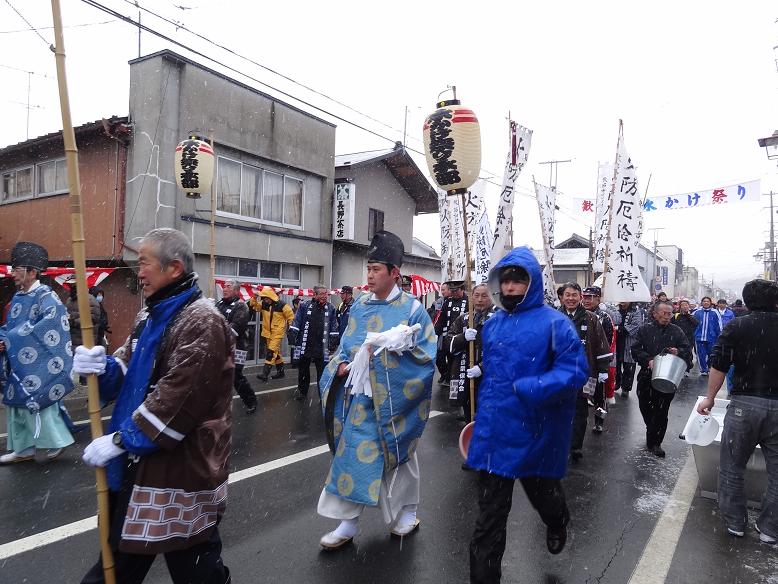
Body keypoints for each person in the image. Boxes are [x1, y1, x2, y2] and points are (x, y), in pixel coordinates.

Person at [73, 228, 233, 583]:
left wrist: (119, 440)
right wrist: (100, 368)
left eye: (144, 263)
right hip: (139, 468)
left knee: (196, 572)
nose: (139, 273)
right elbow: (128, 371)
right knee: (117, 568)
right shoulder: (150, 316)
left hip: (180, 472)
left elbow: (180, 398)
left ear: (174, 267)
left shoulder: (203, 320)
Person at [466, 248, 587, 583]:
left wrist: (534, 387)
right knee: (487, 524)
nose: (510, 287)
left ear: (532, 282)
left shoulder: (556, 324)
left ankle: (557, 519)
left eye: (518, 279)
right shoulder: (491, 325)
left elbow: (575, 370)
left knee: (544, 497)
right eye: (505, 280)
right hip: (493, 438)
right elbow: (494, 373)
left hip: (534, 434)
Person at [316, 230, 436, 549]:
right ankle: (348, 522)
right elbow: (346, 346)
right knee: (352, 455)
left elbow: (425, 357)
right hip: (359, 399)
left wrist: (384, 364)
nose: (369, 276)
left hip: (393, 399)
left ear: (394, 273)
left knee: (400, 453)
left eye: (376, 270)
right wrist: (341, 367)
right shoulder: (358, 306)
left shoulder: (413, 310)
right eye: (368, 269)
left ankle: (408, 511)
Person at [697, 279, 778, 542]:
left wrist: (709, 398)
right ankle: (769, 528)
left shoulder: (737, 325)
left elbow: (719, 365)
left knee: (732, 466)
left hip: (745, 404)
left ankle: (735, 522)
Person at [0, 242, 75, 464]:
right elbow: (9, 325)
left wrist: (13, 338)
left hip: (38, 365)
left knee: (39, 403)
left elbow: (52, 325)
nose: (13, 274)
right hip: (17, 362)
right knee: (16, 405)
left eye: (17, 269)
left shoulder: (46, 296)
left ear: (32, 272)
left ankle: (58, 441)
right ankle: (23, 449)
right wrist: (3, 338)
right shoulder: (18, 297)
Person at [630, 301, 692, 458]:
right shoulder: (645, 330)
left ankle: (655, 442)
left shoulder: (676, 331)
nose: (667, 316)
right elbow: (635, 350)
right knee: (645, 405)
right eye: (664, 313)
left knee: (661, 410)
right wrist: (648, 360)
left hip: (668, 376)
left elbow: (687, 351)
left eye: (669, 313)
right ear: (655, 313)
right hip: (647, 375)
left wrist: (678, 352)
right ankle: (651, 428)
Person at [560, 283, 611, 459]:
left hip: (585, 372)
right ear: (562, 297)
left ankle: (575, 446)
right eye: (567, 295)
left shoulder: (591, 319)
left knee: (581, 410)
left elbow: (601, 344)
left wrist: (603, 368)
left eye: (574, 295)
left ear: (580, 296)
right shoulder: (553, 317)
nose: (570, 298)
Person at [446, 283, 498, 425]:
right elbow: (448, 343)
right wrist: (463, 337)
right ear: (471, 298)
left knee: (489, 411)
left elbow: (502, 350)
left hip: (489, 376)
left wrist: (481, 368)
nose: (480, 299)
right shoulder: (463, 319)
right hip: (465, 371)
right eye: (476, 296)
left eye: (484, 296)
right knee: (468, 408)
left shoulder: (497, 319)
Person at [288, 285, 338, 401]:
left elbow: (334, 326)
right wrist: (292, 335)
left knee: (323, 372)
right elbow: (297, 321)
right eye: (321, 294)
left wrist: (333, 342)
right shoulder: (305, 306)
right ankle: (302, 392)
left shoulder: (331, 308)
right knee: (303, 371)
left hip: (322, 347)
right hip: (306, 344)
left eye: (325, 294)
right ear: (314, 295)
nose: (324, 296)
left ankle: (323, 395)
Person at [217, 279, 258, 414]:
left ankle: (251, 401)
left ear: (236, 290)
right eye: (224, 286)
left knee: (236, 376)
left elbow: (235, 328)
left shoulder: (241, 306)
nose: (225, 288)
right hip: (219, 346)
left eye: (228, 286)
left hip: (238, 348)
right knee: (217, 376)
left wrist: (216, 333)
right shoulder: (219, 304)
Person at [582, 286, 619, 432]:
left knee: (599, 396)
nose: (586, 300)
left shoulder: (604, 317)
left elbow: (608, 342)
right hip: (582, 362)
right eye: (585, 297)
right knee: (582, 395)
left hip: (597, 364)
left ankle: (599, 421)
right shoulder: (581, 314)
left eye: (590, 297)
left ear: (598, 298)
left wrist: (603, 364)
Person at [251, 286, 294, 383]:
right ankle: (281, 372)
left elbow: (291, 316)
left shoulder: (282, 305)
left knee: (271, 352)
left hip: (277, 333)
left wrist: (291, 329)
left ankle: (265, 374)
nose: (265, 300)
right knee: (276, 353)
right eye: (264, 298)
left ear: (271, 297)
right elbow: (254, 306)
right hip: (267, 333)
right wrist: (254, 297)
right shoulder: (264, 304)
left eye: (266, 298)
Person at [434, 280, 468, 386]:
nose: (453, 293)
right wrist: (435, 333)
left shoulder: (468, 301)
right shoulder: (447, 302)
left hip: (462, 337)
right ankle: (446, 375)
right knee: (440, 357)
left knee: (456, 360)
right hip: (447, 337)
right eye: (451, 290)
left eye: (456, 290)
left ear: (462, 289)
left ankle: (454, 380)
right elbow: (441, 319)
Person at [615, 302, 646, 397]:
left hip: (629, 341)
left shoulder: (635, 311)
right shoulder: (615, 309)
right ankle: (616, 382)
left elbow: (637, 326)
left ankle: (626, 387)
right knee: (616, 364)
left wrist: (621, 329)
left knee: (629, 366)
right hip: (617, 340)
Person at [693, 296, 721, 377]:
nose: (706, 303)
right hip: (699, 337)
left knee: (711, 354)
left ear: (710, 303)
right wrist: (694, 334)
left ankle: (709, 367)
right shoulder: (696, 312)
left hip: (712, 337)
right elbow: (692, 325)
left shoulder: (715, 312)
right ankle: (703, 370)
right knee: (701, 354)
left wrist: (719, 336)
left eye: (707, 301)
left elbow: (719, 325)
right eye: (704, 301)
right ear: (701, 303)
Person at [673, 299, 699, 373]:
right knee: (679, 354)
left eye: (686, 305)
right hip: (678, 338)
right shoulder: (676, 315)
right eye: (683, 305)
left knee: (688, 354)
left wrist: (687, 315)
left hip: (689, 338)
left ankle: (687, 369)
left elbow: (696, 323)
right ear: (680, 307)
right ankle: (679, 369)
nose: (685, 306)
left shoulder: (691, 315)